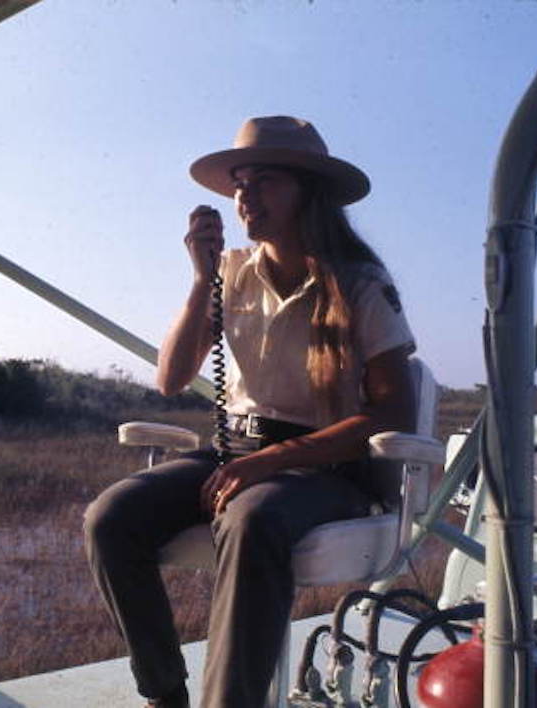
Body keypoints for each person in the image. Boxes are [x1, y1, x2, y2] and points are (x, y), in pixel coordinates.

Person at [83, 116, 417, 708]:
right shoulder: (231, 274)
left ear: (304, 191)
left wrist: (274, 463)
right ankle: (166, 693)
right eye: (240, 182)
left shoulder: (360, 284)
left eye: (263, 181)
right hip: (233, 448)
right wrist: (200, 280)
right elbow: (171, 378)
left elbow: (394, 413)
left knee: (252, 517)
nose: (244, 197)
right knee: (111, 517)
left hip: (324, 465)